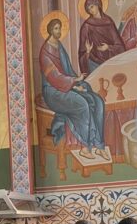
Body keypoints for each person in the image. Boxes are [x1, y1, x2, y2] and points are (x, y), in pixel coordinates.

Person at [40, 17, 108, 162]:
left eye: (60, 28)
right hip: (53, 92)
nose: (59, 31)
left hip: (65, 85)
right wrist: (74, 82)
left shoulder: (59, 46)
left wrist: (76, 84)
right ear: (50, 30)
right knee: (82, 104)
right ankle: (85, 147)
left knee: (98, 101)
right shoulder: (45, 52)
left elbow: (68, 71)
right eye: (56, 28)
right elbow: (54, 77)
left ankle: (99, 145)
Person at [78, 0, 126, 74]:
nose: (90, 10)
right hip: (95, 64)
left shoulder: (108, 21)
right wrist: (88, 52)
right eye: (88, 9)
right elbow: (82, 52)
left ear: (98, 5)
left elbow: (119, 45)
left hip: (111, 61)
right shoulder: (86, 26)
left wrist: (108, 47)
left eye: (92, 7)